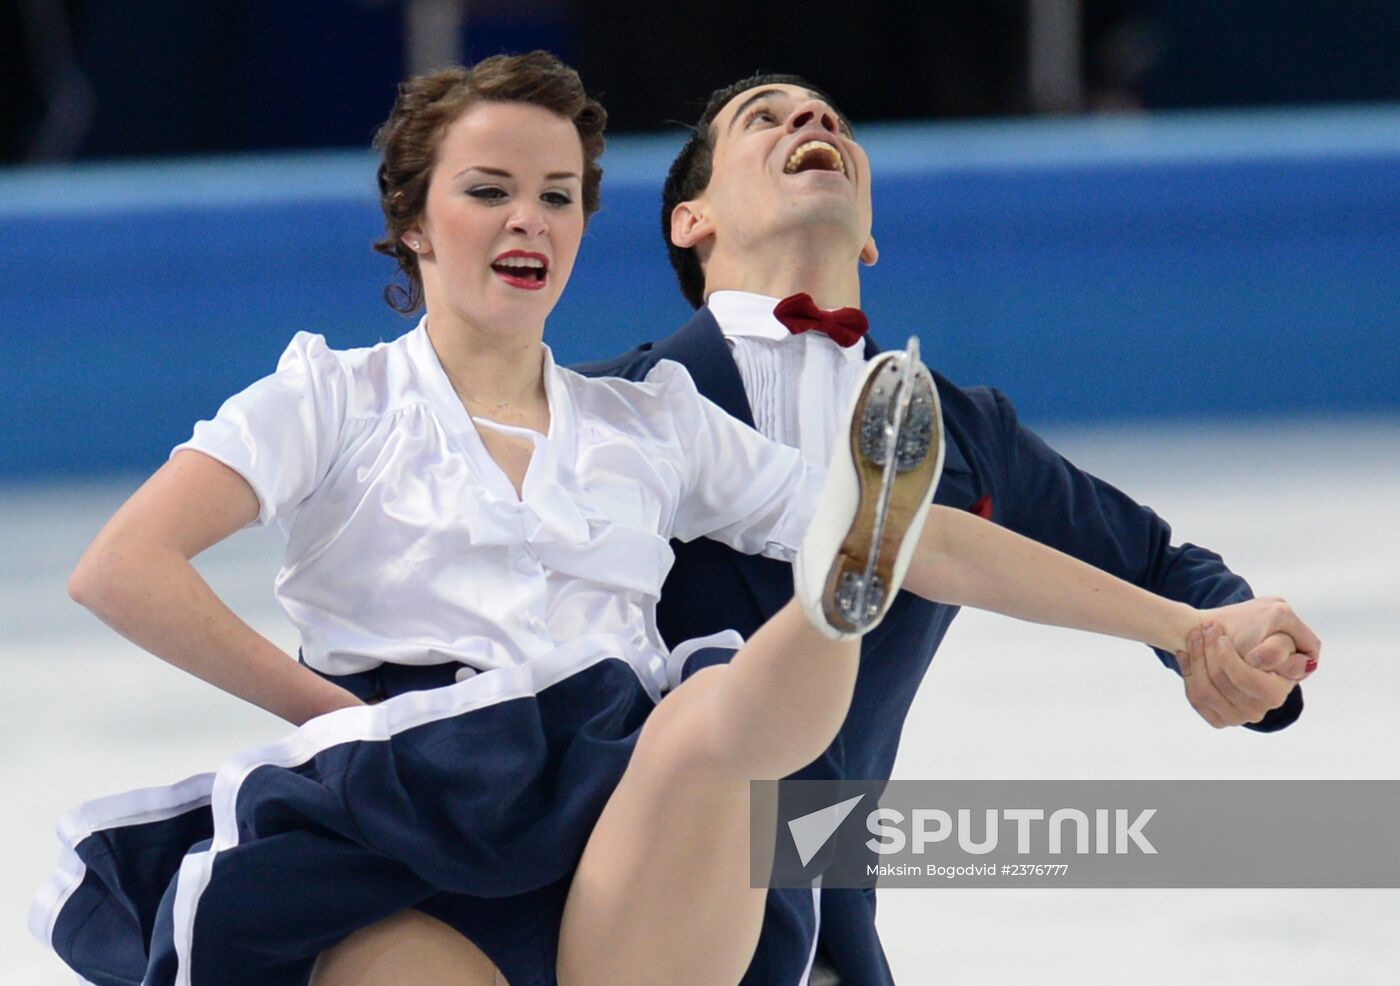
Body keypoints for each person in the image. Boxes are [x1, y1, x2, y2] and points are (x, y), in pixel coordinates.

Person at [30, 54, 1316, 986]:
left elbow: (1022, 543)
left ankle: (831, 586)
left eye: (556, 196)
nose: (528, 218)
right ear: (413, 221)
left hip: (655, 813)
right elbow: (123, 564)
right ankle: (829, 584)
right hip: (412, 788)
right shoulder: (376, 393)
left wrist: (1193, 628)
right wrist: (341, 720)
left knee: (708, 712)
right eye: (489, 190)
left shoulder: (665, 425)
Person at [574, 73, 1320, 985]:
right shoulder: (611, 410)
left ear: (871, 234)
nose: (811, 120)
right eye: (762, 120)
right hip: (641, 912)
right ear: (692, 221)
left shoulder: (962, 433)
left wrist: (1231, 642)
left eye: (831, 120)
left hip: (828, 935)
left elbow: (1162, 563)